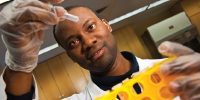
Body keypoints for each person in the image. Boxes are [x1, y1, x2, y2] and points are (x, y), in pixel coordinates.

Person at [0, 0, 200, 100]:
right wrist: (21, 63)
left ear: (107, 25)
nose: (87, 42)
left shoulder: (177, 75)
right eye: (73, 43)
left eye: (91, 27)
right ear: (70, 57)